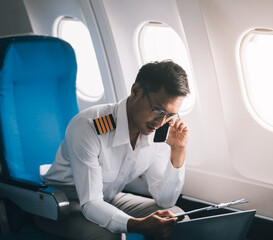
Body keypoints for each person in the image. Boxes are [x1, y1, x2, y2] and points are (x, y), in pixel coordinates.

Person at [35, 60, 190, 240]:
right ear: (136, 91)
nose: (161, 122)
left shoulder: (160, 131)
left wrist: (178, 151)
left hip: (108, 198)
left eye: (170, 115)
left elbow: (165, 201)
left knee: (177, 218)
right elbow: (91, 203)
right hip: (61, 206)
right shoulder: (90, 126)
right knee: (110, 236)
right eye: (158, 110)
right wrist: (137, 224)